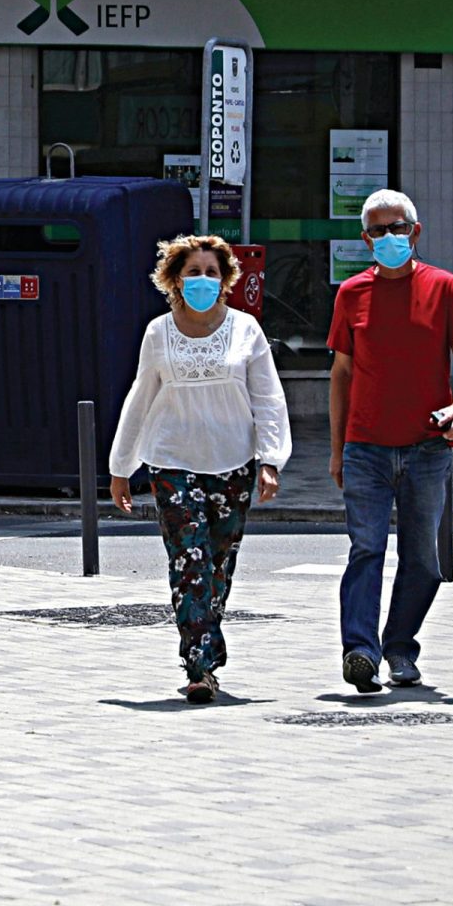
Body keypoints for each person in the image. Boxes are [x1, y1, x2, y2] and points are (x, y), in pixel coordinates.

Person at [109, 235, 291, 703]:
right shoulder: (158, 333)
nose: (203, 280)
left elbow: (268, 400)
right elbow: (141, 397)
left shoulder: (246, 330)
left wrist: (270, 460)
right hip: (172, 462)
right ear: (174, 279)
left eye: (212, 272)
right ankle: (200, 665)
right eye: (194, 272)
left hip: (233, 463)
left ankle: (205, 648)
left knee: (217, 565)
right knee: (188, 560)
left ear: (226, 279)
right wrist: (121, 466)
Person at [327, 189, 453, 693]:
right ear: (364, 237)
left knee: (423, 561)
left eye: (398, 228)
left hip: (426, 448)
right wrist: (336, 449)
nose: (389, 237)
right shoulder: (351, 294)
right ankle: (360, 652)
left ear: (415, 232)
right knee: (365, 549)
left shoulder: (444, 287)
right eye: (378, 230)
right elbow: (341, 374)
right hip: (366, 447)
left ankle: (399, 646)